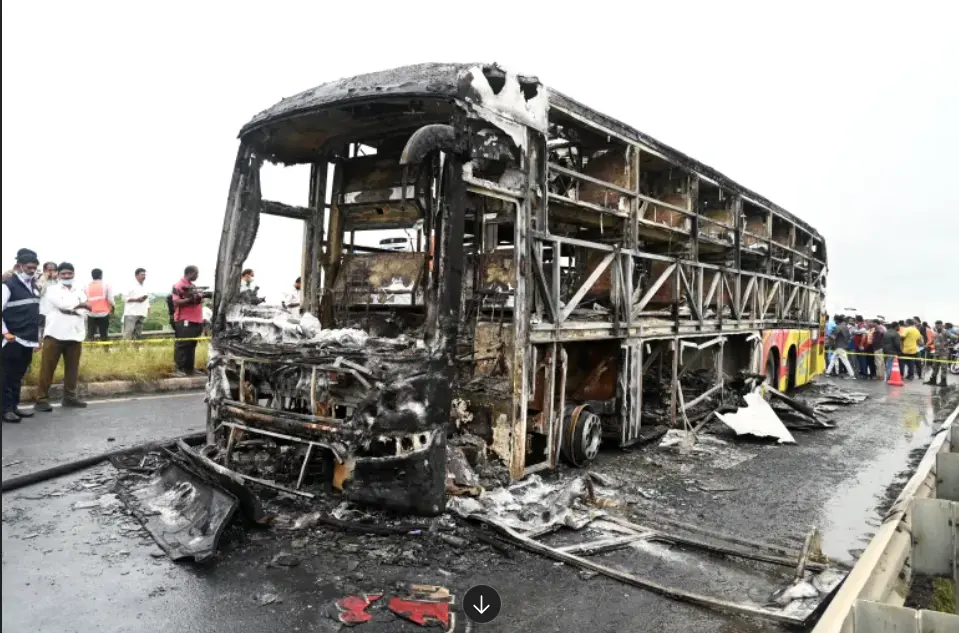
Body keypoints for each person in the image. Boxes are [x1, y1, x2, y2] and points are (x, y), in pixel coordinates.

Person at [34, 262, 89, 411]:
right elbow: (62, 305)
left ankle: (70, 398)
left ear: (73, 274)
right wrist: (80, 305)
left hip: (75, 334)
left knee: (72, 369)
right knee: (47, 369)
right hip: (55, 334)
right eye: (63, 273)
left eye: (69, 273)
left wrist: (79, 307)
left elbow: (87, 309)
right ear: (58, 275)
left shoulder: (80, 290)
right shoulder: (52, 289)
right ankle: (41, 400)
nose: (66, 276)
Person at [2, 249, 41, 423]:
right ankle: (5, 409)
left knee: (18, 375)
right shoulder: (8, 285)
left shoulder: (34, 287)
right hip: (12, 339)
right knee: (6, 375)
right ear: (20, 266)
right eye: (28, 268)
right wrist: (5, 332)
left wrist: (37, 338)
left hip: (28, 339)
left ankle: (14, 406)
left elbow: (35, 315)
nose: (32, 271)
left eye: (34, 268)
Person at [171, 266, 205, 376]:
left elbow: (198, 300)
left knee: (192, 345)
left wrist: (199, 298)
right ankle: (178, 368)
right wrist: (190, 299)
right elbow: (176, 302)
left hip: (196, 320)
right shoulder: (178, 285)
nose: (197, 276)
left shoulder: (193, 286)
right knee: (182, 344)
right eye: (196, 273)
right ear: (190, 273)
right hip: (184, 319)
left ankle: (189, 368)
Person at [85, 268, 114, 341]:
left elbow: (85, 299)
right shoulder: (106, 285)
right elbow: (110, 299)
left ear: (92, 276)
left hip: (91, 313)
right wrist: (113, 308)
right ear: (101, 275)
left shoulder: (87, 286)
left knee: (90, 333)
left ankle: (90, 347)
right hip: (103, 313)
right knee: (104, 333)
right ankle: (105, 347)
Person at [926, 321, 958, 387]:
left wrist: (948, 343)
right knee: (934, 366)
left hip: (944, 353)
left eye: (938, 325)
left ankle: (943, 382)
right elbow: (934, 340)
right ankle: (933, 380)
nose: (937, 327)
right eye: (936, 325)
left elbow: (955, 337)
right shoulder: (935, 332)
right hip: (936, 352)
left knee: (943, 367)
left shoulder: (945, 332)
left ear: (941, 325)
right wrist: (928, 345)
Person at [122, 268, 150, 340]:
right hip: (131, 313)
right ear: (136, 275)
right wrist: (137, 300)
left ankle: (136, 347)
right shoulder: (130, 285)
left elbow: (146, 299)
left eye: (144, 275)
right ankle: (125, 347)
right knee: (128, 333)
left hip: (141, 313)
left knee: (138, 335)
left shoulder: (145, 287)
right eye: (142, 275)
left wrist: (148, 307)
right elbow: (124, 298)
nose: (144, 276)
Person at [37, 261, 58, 338]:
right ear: (44, 270)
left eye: (54, 270)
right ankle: (40, 341)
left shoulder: (58, 280)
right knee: (41, 328)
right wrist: (45, 279)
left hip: (55, 310)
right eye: (49, 270)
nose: (51, 272)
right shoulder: (41, 279)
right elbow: (39, 293)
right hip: (43, 310)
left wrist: (57, 279)